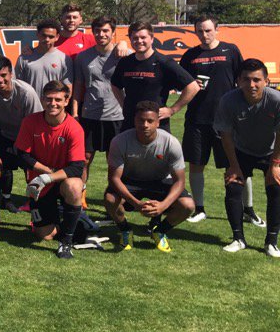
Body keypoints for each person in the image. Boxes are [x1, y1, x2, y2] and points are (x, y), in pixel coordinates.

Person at [179, 15, 249, 224]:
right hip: (197, 119)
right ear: (195, 32)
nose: (204, 34)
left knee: (236, 165)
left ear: (217, 30)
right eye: (200, 31)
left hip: (227, 121)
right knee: (196, 164)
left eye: (208, 30)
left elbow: (243, 79)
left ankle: (248, 209)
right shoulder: (190, 55)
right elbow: (183, 82)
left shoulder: (231, 50)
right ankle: (199, 209)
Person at [106, 101, 194, 253]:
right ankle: (125, 229)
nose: (145, 125)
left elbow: (179, 181)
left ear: (158, 123)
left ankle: (160, 230)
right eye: (141, 120)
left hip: (160, 181)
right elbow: (114, 178)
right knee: (110, 200)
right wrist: (136, 203)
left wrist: (163, 205)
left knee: (188, 205)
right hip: (130, 181)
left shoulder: (170, 143)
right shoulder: (119, 141)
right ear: (134, 120)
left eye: (150, 121)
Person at [14, 80, 87, 259]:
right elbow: (22, 155)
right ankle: (71, 217)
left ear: (66, 101)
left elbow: (77, 167)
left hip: (62, 179)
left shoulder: (74, 128)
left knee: (74, 186)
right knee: (44, 235)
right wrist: (46, 173)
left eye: (58, 99)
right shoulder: (30, 121)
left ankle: (66, 241)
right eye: (48, 99)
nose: (53, 103)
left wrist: (49, 177)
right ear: (42, 99)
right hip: (40, 183)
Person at [214, 59, 280, 256]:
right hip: (241, 150)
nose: (251, 85)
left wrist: (275, 164)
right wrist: (233, 166)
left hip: (271, 151)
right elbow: (225, 134)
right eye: (246, 80)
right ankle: (238, 239)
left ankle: (271, 241)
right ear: (238, 81)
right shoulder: (228, 100)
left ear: (266, 81)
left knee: (276, 187)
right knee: (233, 186)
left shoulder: (276, 100)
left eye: (257, 80)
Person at [0, 56, 43, 211]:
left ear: (11, 74)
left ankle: (35, 202)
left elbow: (36, 125)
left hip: (28, 135)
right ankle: (2, 199)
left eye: (3, 75)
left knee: (31, 168)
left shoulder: (26, 93)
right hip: (4, 132)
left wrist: (27, 151)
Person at [111, 21, 198, 133]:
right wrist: (124, 105)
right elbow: (115, 84)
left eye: (143, 37)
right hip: (130, 124)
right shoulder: (125, 62)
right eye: (135, 38)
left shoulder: (164, 62)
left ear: (152, 39)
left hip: (157, 126)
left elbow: (193, 87)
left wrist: (172, 110)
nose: (139, 41)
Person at [72, 16, 125, 186]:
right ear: (92, 32)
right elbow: (78, 85)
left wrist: (124, 44)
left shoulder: (124, 55)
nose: (101, 34)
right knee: (85, 159)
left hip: (117, 116)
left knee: (114, 161)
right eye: (97, 31)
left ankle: (113, 197)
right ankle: (80, 198)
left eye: (105, 31)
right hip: (90, 114)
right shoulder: (83, 57)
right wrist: (74, 112)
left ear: (113, 32)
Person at [15, 19, 73, 98]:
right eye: (44, 35)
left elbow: (68, 88)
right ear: (37, 34)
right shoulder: (24, 58)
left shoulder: (64, 59)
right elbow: (18, 85)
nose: (47, 39)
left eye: (51, 37)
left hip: (53, 107)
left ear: (57, 37)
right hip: (30, 107)